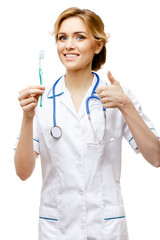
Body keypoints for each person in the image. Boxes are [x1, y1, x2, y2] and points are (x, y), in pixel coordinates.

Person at [14, 7, 160, 240]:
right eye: (63, 38)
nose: (68, 45)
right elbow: (22, 172)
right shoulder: (42, 101)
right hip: (56, 229)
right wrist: (27, 117)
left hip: (105, 228)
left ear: (98, 45)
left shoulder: (117, 96)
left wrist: (126, 105)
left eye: (79, 37)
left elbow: (156, 157)